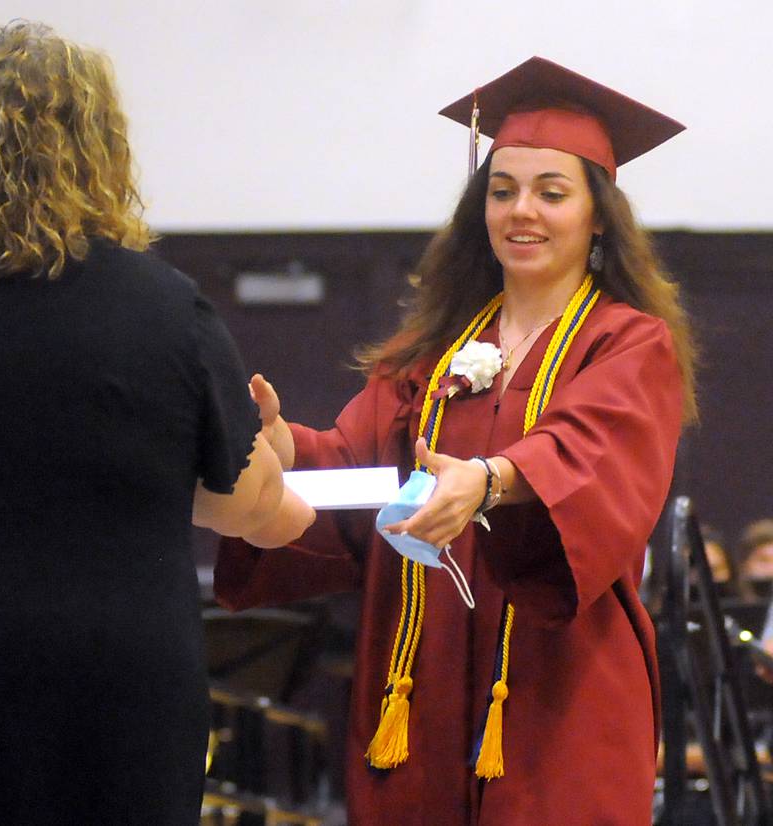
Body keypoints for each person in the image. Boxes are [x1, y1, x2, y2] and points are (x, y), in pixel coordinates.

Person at [216, 57, 696, 825]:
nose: (522, 211)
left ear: (600, 215)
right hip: (421, 678)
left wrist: (491, 479)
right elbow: (358, 467)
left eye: (551, 192)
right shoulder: (433, 353)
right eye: (502, 191)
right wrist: (282, 449)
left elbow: (591, 450)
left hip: (560, 686)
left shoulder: (627, 344)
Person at [0, 21, 313, 826]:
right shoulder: (163, 310)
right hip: (118, 688)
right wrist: (270, 448)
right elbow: (247, 508)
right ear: (99, 148)